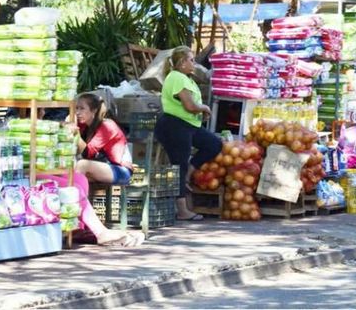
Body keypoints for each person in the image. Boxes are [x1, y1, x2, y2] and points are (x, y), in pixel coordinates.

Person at [154, 46, 222, 221]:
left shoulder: (186, 78)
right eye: (191, 60)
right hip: (174, 125)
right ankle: (182, 210)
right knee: (179, 164)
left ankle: (188, 175)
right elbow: (190, 106)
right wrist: (204, 108)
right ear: (182, 63)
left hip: (189, 125)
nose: (194, 63)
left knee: (213, 144)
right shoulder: (176, 77)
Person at [37, 172, 144, 246]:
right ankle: (100, 232)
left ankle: (79, 230)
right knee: (75, 189)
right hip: (25, 170)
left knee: (80, 178)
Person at [74, 93, 133, 185]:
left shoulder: (107, 126)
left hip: (120, 171)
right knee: (69, 169)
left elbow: (87, 152)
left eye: (82, 108)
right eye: (76, 108)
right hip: (103, 167)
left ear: (94, 110)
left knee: (82, 165)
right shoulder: (84, 126)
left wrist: (75, 132)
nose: (77, 112)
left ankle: (76, 198)